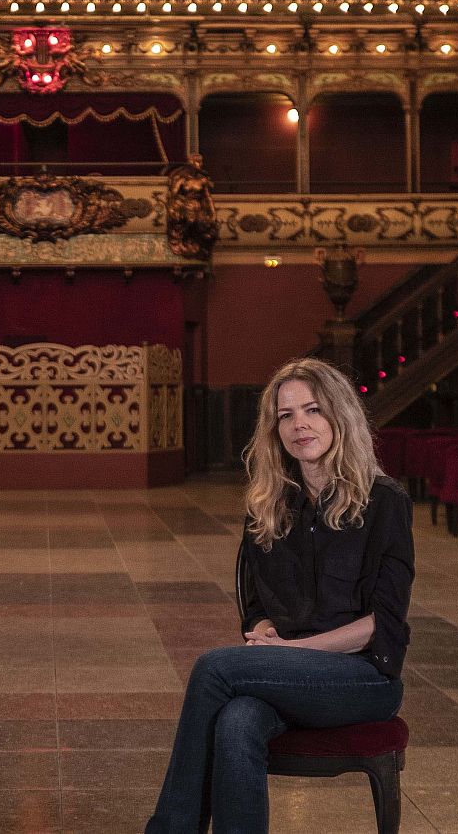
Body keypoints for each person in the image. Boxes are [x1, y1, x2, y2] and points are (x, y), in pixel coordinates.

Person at [145, 357, 414, 834]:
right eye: (285, 415)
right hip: (285, 669)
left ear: (340, 416)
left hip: (362, 678)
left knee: (215, 667)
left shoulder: (384, 501)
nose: (299, 425)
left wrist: (293, 651)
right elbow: (257, 610)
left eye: (312, 410)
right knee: (236, 722)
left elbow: (383, 623)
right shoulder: (266, 505)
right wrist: (269, 636)